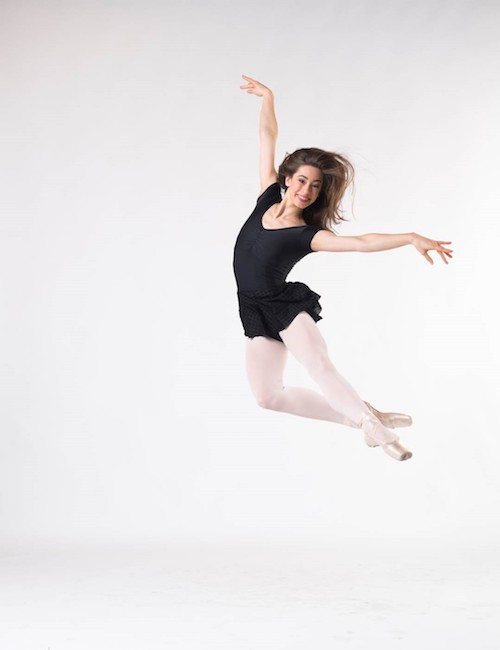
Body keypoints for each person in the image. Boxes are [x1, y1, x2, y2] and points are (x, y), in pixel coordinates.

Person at [233, 74, 453, 462]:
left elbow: (360, 243)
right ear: (288, 179)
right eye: (302, 180)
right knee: (268, 397)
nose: (307, 190)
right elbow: (267, 137)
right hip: (252, 308)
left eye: (316, 186)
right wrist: (268, 97)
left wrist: (409, 236)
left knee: (319, 365)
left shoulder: (306, 234)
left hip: (283, 306)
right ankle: (364, 416)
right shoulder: (267, 194)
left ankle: (374, 430)